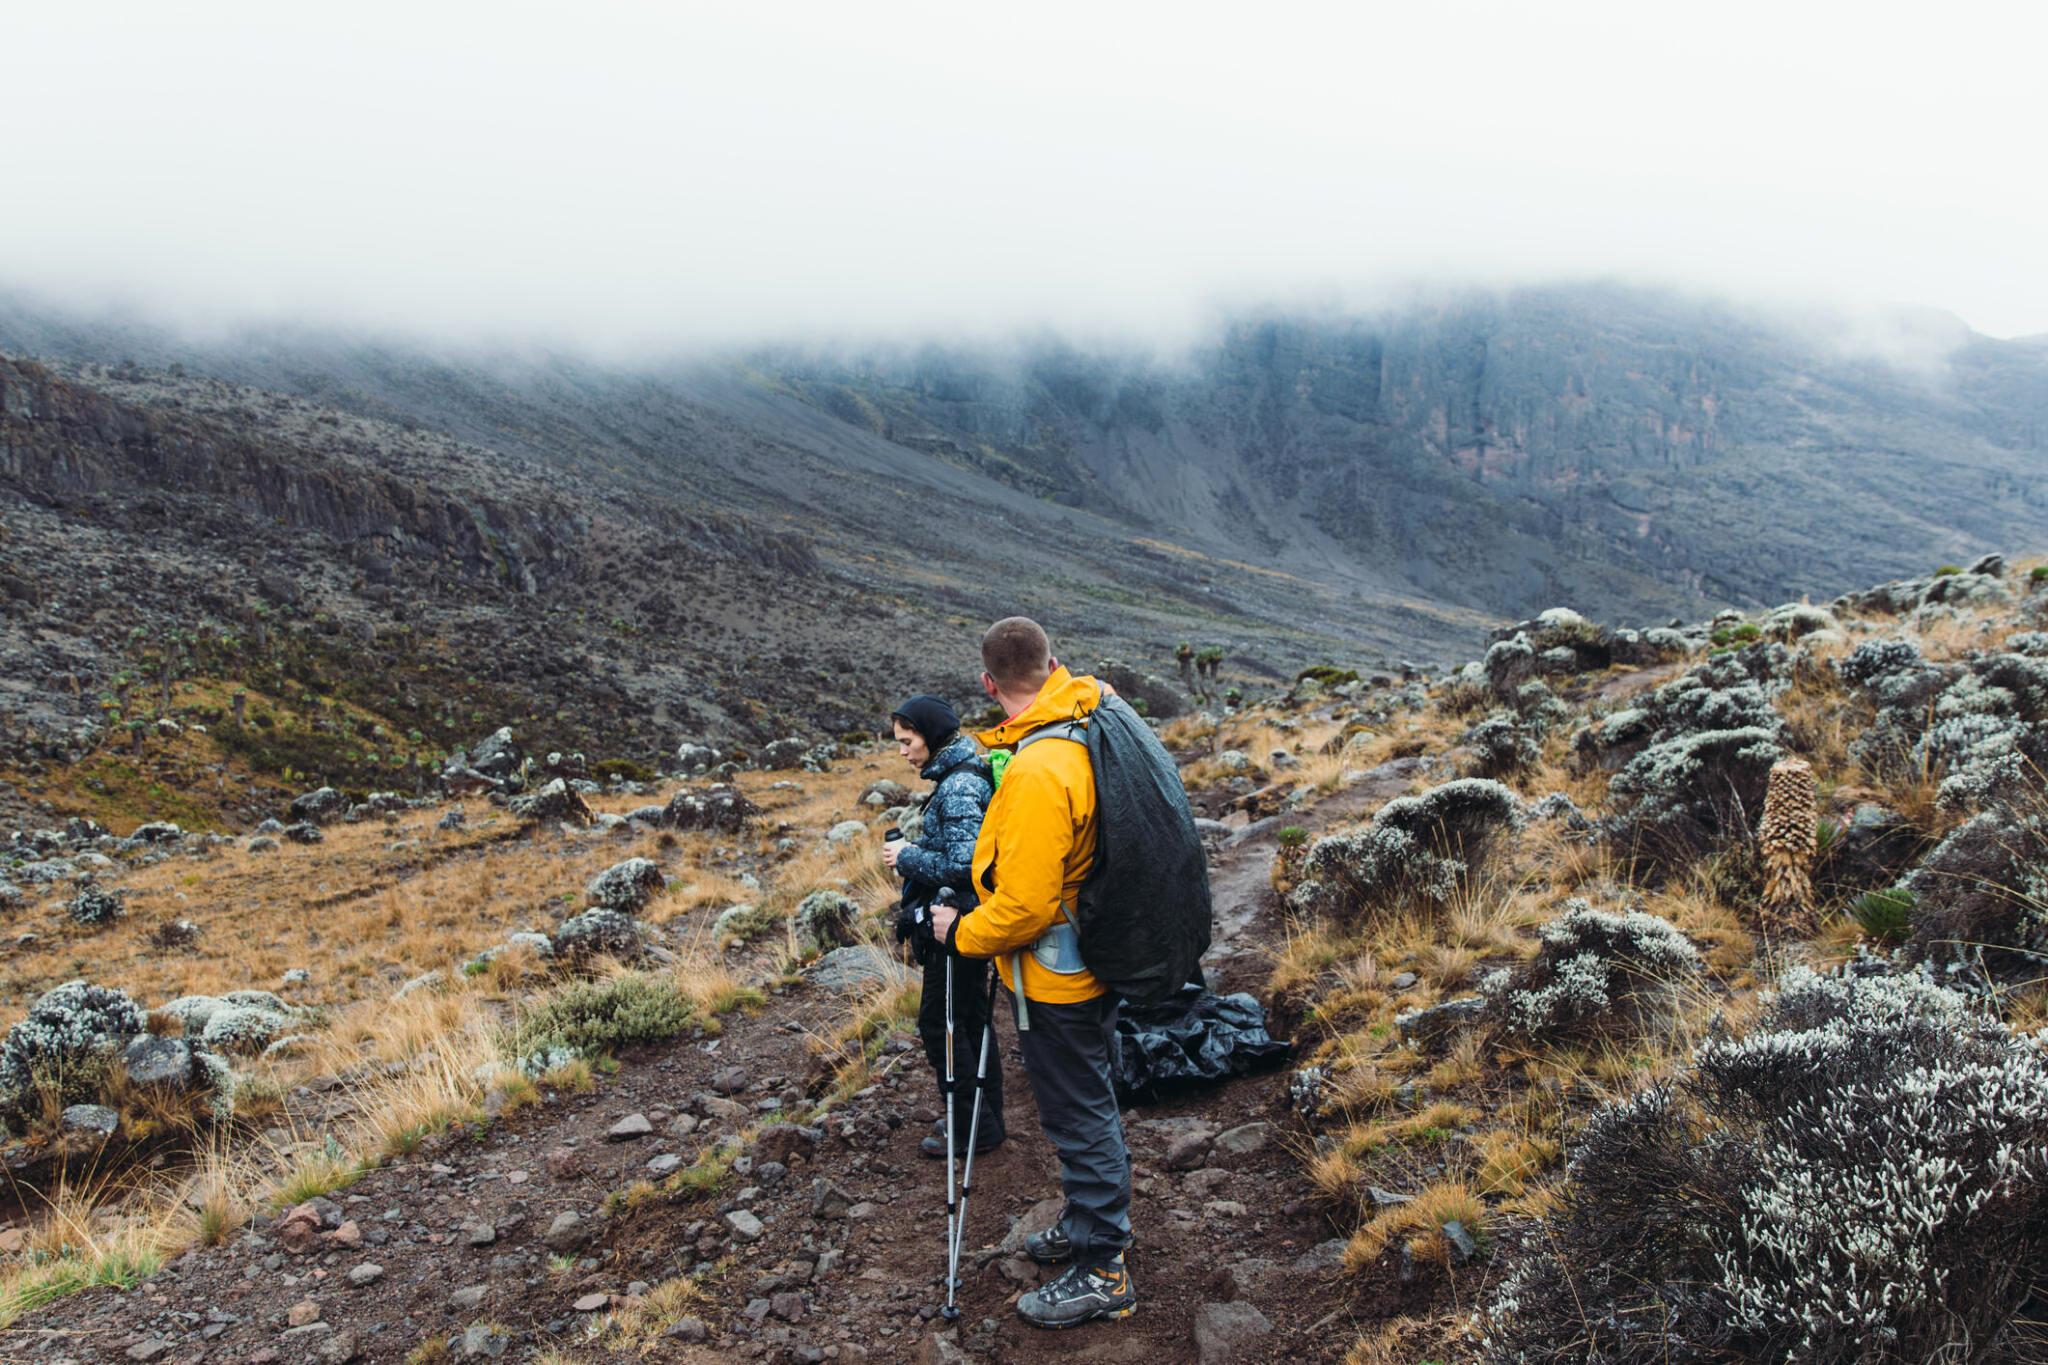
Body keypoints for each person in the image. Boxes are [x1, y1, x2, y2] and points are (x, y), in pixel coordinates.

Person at [929, 618, 1137, 1329]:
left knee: (1079, 1115)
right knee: (1087, 1101)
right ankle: (1086, 1225)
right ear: (1055, 665)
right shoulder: (1086, 716)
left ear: (988, 683)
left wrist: (962, 934)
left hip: (1059, 983)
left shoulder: (1041, 770)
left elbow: (1023, 906)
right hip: (1093, 957)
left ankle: (1104, 1266)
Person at [883, 694, 1004, 1158]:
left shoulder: (956, 787)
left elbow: (965, 863)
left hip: (954, 924)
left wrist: (907, 856)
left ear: (930, 738)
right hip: (966, 921)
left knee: (943, 1025)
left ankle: (971, 1125)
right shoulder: (962, 775)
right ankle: (983, 1120)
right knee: (969, 1020)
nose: (903, 751)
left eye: (907, 740)